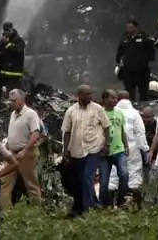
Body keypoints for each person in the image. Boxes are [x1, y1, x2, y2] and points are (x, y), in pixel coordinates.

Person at [62, 85, 111, 217]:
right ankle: (92, 203)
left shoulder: (98, 109)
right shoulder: (71, 111)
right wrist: (65, 149)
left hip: (94, 148)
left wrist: (107, 144)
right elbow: (66, 131)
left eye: (91, 93)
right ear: (79, 95)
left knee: (87, 177)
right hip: (77, 150)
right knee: (79, 180)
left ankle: (87, 210)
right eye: (87, 94)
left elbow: (106, 127)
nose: (90, 96)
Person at [0, 89, 42, 209]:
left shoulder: (30, 114)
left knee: (31, 184)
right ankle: (5, 212)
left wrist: (26, 150)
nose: (11, 103)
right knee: (5, 182)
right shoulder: (13, 114)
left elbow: (36, 133)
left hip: (26, 153)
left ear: (22, 100)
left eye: (14, 100)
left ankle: (36, 212)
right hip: (12, 154)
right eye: (10, 100)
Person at [114, 97, 148, 207]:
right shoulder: (134, 114)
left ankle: (112, 203)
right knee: (134, 174)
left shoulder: (111, 112)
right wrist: (145, 149)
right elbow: (140, 133)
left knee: (114, 175)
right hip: (132, 148)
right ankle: (135, 203)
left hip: (115, 148)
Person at [98, 89, 130, 207]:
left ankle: (121, 199)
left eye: (116, 98)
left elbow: (122, 130)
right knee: (104, 182)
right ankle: (103, 205)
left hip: (119, 150)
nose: (115, 100)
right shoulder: (99, 113)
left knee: (124, 174)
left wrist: (126, 145)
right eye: (112, 98)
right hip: (104, 153)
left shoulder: (119, 113)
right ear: (105, 99)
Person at [115, 19, 155, 103]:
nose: (128, 29)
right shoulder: (124, 36)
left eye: (130, 27)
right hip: (128, 69)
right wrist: (118, 60)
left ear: (136, 27)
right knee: (129, 90)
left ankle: (144, 106)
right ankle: (131, 105)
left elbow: (151, 50)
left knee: (143, 91)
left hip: (142, 70)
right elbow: (120, 50)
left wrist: (149, 62)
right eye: (127, 27)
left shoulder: (144, 36)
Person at [0, 22, 25, 111]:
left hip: (13, 72)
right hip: (2, 71)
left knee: (12, 92)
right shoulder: (3, 40)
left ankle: (14, 109)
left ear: (11, 29)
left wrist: (8, 44)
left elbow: (17, 51)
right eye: (4, 30)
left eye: (7, 30)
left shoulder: (19, 40)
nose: (5, 32)